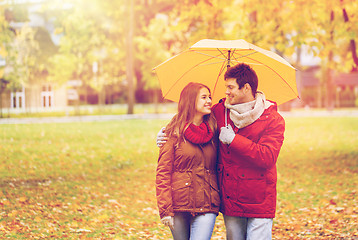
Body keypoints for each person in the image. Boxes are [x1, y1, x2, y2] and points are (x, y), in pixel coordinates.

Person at [157, 63, 285, 240]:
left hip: (259, 199)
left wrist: (234, 140)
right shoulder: (220, 112)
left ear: (246, 88)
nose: (226, 92)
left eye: (230, 87)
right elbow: (190, 116)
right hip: (232, 199)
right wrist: (166, 132)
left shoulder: (272, 119)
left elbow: (267, 157)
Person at [156, 82, 220, 240]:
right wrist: (165, 210)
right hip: (179, 204)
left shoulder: (214, 130)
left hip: (207, 202)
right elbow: (163, 172)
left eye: (210, 97)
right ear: (191, 100)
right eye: (204, 97)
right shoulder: (173, 131)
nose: (209, 101)